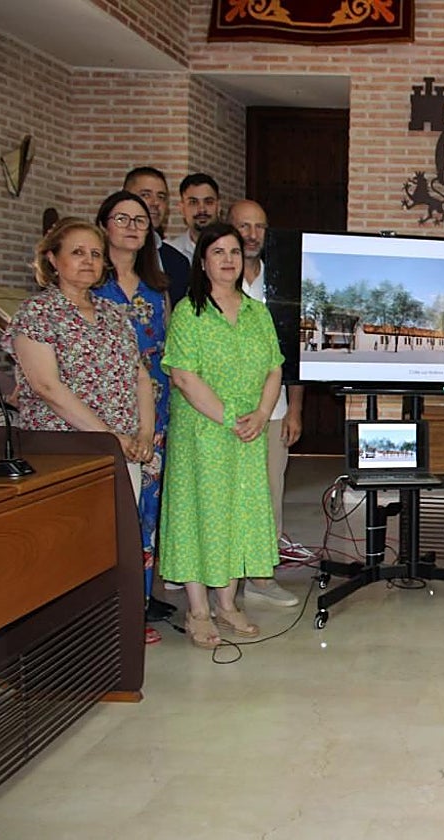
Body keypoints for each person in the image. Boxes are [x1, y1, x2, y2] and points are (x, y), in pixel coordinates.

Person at [4, 219, 155, 638]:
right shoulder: (37, 313)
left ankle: (109, 640)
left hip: (124, 451)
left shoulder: (113, 312)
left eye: (94, 253)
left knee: (115, 549)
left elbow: (140, 375)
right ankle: (62, 643)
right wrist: (110, 437)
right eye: (77, 252)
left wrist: (143, 434)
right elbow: (47, 387)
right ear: (52, 259)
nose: (88, 261)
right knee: (69, 553)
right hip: (67, 455)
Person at [160, 222, 284, 649]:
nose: (229, 259)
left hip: (249, 431)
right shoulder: (187, 311)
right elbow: (183, 376)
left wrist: (263, 413)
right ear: (203, 261)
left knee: (238, 515)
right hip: (203, 434)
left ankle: (228, 603)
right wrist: (232, 418)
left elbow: (274, 367)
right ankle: (197, 610)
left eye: (234, 251)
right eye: (218, 252)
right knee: (201, 516)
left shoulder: (257, 313)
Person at [94, 190, 173, 640]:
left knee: (146, 515)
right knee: (104, 517)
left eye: (140, 221)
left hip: (153, 420)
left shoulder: (155, 289)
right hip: (100, 419)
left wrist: (156, 425)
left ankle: (137, 608)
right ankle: (103, 614)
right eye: (121, 218)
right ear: (104, 224)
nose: (131, 227)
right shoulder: (89, 282)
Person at [227, 198, 311, 608]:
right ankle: (222, 576)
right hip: (222, 412)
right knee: (226, 494)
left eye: (259, 226)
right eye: (244, 226)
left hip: (274, 408)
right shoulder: (214, 281)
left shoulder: (280, 282)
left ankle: (261, 577)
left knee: (269, 492)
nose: (252, 234)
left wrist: (293, 408)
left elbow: (293, 353)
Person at [123, 166, 191, 306]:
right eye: (146, 194)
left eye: (161, 197)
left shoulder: (178, 263)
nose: (155, 203)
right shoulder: (103, 255)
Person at [169, 173, 220, 262]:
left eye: (208, 202)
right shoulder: (170, 251)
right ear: (182, 208)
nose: (202, 209)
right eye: (193, 202)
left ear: (219, 207)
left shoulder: (233, 252)